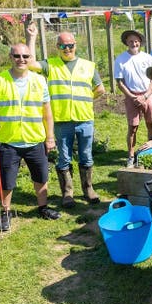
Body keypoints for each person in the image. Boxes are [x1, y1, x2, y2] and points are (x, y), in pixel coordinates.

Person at [26, 23, 105, 207]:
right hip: (61, 120)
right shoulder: (51, 65)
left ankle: (88, 190)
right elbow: (30, 64)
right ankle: (67, 193)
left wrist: (86, 98)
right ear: (57, 48)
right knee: (64, 158)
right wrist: (31, 38)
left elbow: (100, 89)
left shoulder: (88, 65)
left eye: (70, 45)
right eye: (63, 45)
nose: (67, 48)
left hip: (84, 118)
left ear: (75, 45)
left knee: (86, 155)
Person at [0, 43, 61, 231]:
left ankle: (43, 207)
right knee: (7, 180)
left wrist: (49, 137)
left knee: (41, 176)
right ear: (10, 57)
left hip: (35, 138)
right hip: (8, 140)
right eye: (17, 56)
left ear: (30, 58)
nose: (21, 60)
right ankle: (5, 212)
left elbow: (47, 112)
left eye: (25, 56)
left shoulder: (39, 80)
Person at [114, 30, 152, 168]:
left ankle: (150, 152)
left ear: (140, 42)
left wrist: (145, 95)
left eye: (136, 41)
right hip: (131, 96)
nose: (134, 43)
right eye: (131, 41)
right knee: (133, 127)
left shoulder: (148, 58)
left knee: (151, 124)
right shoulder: (120, 59)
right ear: (126, 42)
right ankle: (131, 156)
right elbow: (120, 82)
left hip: (147, 95)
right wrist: (132, 97)